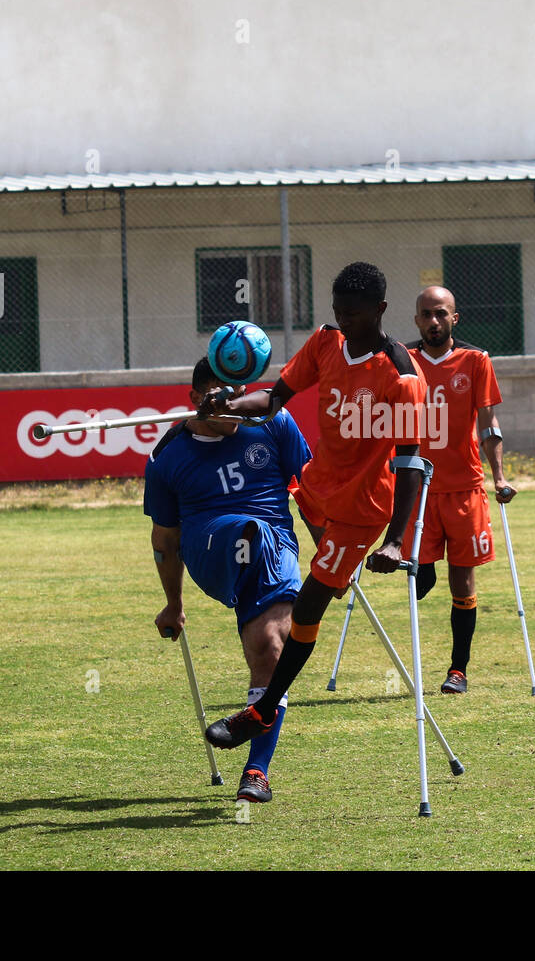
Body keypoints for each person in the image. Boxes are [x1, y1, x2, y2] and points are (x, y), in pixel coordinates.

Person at [200, 261, 429, 750]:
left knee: (308, 603)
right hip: (314, 493)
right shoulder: (325, 342)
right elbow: (274, 399)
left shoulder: (403, 375)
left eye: (354, 314)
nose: (345, 322)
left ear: (381, 310)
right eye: (338, 312)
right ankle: (339, 571)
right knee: (322, 582)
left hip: (360, 511)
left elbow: (410, 461)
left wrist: (395, 540)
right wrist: (228, 405)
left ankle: (260, 712)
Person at [144, 358, 312, 802]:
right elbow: (166, 539)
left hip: (276, 545)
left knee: (272, 646)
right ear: (197, 400)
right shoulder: (168, 456)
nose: (236, 408)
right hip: (209, 547)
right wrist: (173, 603)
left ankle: (256, 772)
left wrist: (334, 549)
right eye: (223, 399)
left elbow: (311, 489)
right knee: (245, 530)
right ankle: (248, 538)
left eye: (239, 396)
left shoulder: (272, 420)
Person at [402, 286, 514, 694]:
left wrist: (499, 477)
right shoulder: (403, 360)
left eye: (441, 314)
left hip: (464, 486)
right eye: (426, 314)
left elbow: (489, 424)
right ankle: (425, 564)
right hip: (416, 487)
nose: (434, 321)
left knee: (462, 580)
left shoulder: (476, 360)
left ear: (455, 318)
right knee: (417, 572)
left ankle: (458, 670)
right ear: (416, 319)